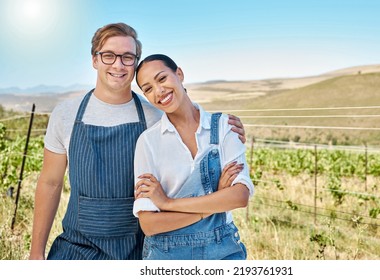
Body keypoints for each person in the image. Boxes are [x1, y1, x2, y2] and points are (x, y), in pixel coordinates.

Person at [29, 23, 246, 260]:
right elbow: (50, 183)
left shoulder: (156, 116)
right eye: (109, 55)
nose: (118, 65)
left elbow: (191, 126)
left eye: (128, 57)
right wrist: (36, 252)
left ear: (135, 64)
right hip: (77, 246)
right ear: (95, 60)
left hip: (136, 248)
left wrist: (225, 125)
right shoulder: (65, 114)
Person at [133, 54, 254, 260]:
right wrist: (214, 203)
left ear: (179, 74)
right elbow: (150, 225)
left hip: (223, 249)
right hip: (166, 255)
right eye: (148, 89)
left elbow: (239, 197)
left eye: (162, 79)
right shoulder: (148, 142)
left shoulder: (225, 126)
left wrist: (167, 204)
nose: (159, 91)